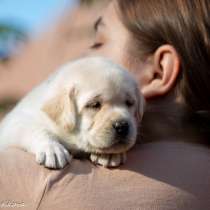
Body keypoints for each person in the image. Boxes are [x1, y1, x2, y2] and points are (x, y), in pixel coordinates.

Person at [1, 0, 210, 209]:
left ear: (158, 72)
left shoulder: (42, 183)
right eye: (95, 105)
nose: (84, 55)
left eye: (98, 42)